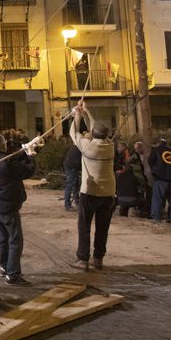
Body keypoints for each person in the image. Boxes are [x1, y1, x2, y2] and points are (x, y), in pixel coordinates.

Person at [0, 132, 39, 285]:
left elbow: (11, 160)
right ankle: (13, 275)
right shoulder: (7, 162)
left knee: (3, 238)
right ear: (4, 145)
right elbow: (26, 171)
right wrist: (31, 156)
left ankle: (4, 266)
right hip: (8, 205)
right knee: (15, 240)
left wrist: (23, 150)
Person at [68, 102, 116, 271]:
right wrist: (87, 110)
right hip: (109, 194)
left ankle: (82, 260)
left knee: (84, 227)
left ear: (92, 135)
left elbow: (73, 132)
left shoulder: (87, 147)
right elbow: (96, 129)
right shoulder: (110, 146)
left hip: (90, 193)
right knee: (103, 229)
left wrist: (77, 115)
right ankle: (98, 259)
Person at [149, 138, 171, 224]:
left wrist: (155, 171)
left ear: (158, 144)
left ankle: (157, 218)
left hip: (161, 179)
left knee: (158, 199)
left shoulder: (156, 150)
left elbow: (150, 161)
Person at [62, 139, 83, 212]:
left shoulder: (77, 146)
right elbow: (78, 162)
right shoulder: (80, 147)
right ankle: (67, 205)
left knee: (75, 185)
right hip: (72, 167)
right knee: (70, 185)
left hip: (71, 166)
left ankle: (77, 201)